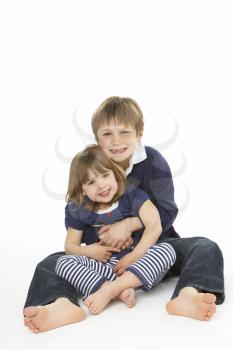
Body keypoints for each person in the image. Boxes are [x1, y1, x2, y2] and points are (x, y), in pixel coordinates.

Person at [23, 96, 224, 333]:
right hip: (108, 258)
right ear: (96, 138)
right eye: (107, 134)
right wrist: (99, 245)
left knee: (204, 246)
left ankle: (190, 293)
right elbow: (81, 219)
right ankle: (58, 304)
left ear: (139, 132)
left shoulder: (153, 162)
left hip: (155, 245)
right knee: (50, 263)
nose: (116, 141)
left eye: (124, 132)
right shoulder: (92, 166)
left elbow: (167, 210)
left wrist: (129, 224)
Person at [55, 145, 176, 315]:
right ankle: (114, 288)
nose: (101, 185)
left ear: (115, 173)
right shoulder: (79, 209)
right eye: (91, 182)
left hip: (137, 264)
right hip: (104, 267)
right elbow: (70, 247)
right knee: (62, 263)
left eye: (105, 175)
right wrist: (89, 251)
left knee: (166, 251)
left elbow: (154, 226)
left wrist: (134, 256)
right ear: (81, 188)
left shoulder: (131, 195)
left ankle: (111, 290)